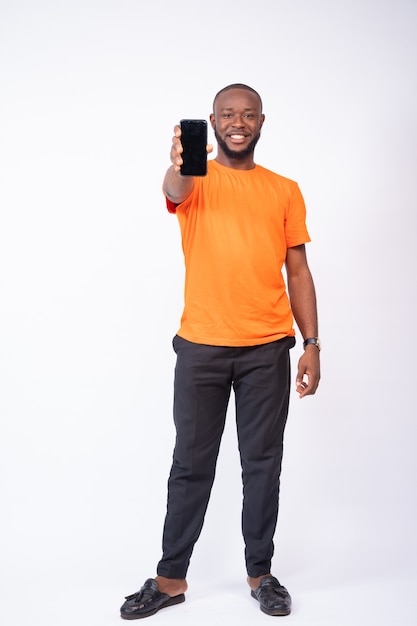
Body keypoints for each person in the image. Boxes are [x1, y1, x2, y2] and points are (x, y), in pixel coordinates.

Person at [120, 83, 320, 619]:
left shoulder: (284, 189)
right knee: (191, 464)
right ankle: (169, 581)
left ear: (261, 121)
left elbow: (297, 269)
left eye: (247, 114)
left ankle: (261, 574)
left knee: (262, 464)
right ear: (212, 121)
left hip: (266, 348)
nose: (238, 121)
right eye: (228, 114)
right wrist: (182, 163)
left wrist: (312, 343)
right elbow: (175, 187)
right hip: (202, 348)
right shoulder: (197, 179)